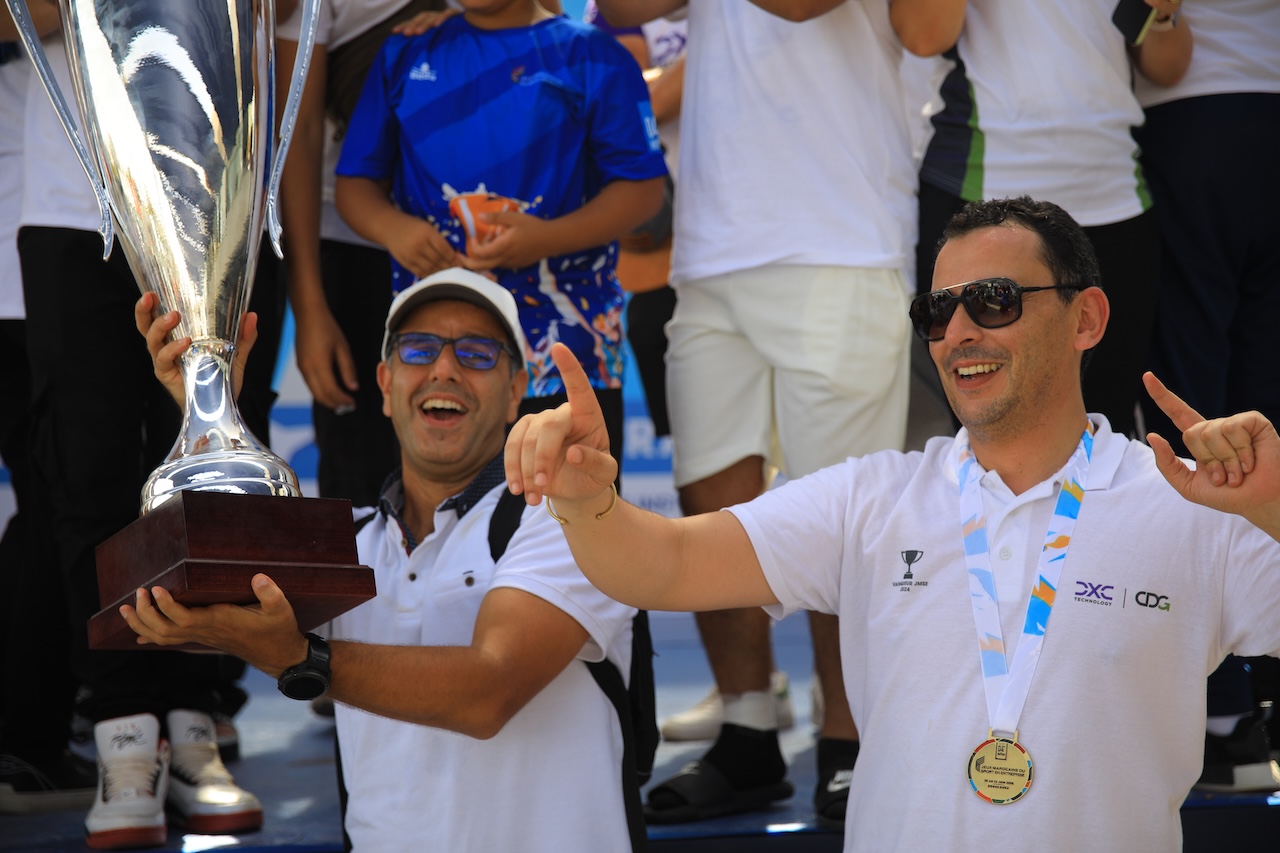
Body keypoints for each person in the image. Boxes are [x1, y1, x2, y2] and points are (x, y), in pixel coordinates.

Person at [504, 196, 1280, 852]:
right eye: (937, 312)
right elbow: (665, 564)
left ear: (1087, 317)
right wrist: (585, 499)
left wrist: (1274, 507)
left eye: (995, 301)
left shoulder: (1192, 503)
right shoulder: (872, 498)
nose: (960, 331)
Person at [124, 269, 639, 851]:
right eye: (419, 349)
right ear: (386, 384)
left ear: (516, 389)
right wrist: (210, 415)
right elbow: (200, 611)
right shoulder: (344, 542)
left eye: (476, 352)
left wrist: (301, 658)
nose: (445, 369)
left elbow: (490, 692)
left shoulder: (570, 518)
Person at [594, 0, 922, 825]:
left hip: (842, 240)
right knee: (709, 495)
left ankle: (848, 739)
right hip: (710, 248)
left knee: (844, 515)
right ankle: (747, 732)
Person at [15, 12, 291, 848]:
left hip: (224, 175)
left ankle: (195, 719)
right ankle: (124, 733)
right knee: (88, 469)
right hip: (76, 200)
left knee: (216, 450)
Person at [333, 0, 668, 467]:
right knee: (436, 510)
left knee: (569, 508)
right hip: (434, 365)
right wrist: (394, 229)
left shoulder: (595, 56)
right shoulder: (405, 52)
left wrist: (545, 239)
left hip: (569, 357)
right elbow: (354, 184)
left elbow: (643, 191)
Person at [900, 0, 1192, 438]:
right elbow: (923, 36)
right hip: (979, 187)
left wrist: (1164, 16)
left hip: (1112, 196)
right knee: (985, 419)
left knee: (1105, 427)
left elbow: (1168, 66)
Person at [1133, 0, 1280, 792]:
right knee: (1263, 415)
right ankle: (1254, 704)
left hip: (1188, 119)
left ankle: (1224, 712)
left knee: (1193, 415)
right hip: (1261, 112)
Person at [276, 0, 448, 507]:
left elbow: (540, 24)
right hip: (348, 244)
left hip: (471, 246)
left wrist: (472, 30)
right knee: (361, 482)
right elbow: (300, 127)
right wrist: (310, 311)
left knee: (480, 472)